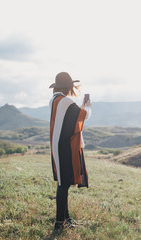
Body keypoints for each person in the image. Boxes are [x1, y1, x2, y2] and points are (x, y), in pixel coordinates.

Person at [49, 72, 91, 233]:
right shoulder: (65, 101)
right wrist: (87, 105)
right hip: (65, 146)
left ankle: (65, 218)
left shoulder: (54, 100)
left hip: (56, 144)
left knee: (63, 182)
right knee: (63, 184)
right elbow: (82, 117)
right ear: (68, 87)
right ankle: (60, 222)